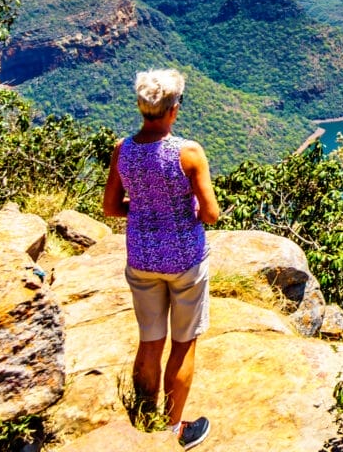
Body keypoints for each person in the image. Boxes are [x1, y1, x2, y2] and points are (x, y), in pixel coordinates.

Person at [103, 68, 220, 450]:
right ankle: (173, 430)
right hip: (185, 260)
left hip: (141, 257)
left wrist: (143, 213)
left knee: (150, 341)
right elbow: (210, 213)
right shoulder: (188, 153)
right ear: (173, 109)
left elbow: (110, 207)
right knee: (184, 343)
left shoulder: (124, 150)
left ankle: (143, 417)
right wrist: (177, 215)